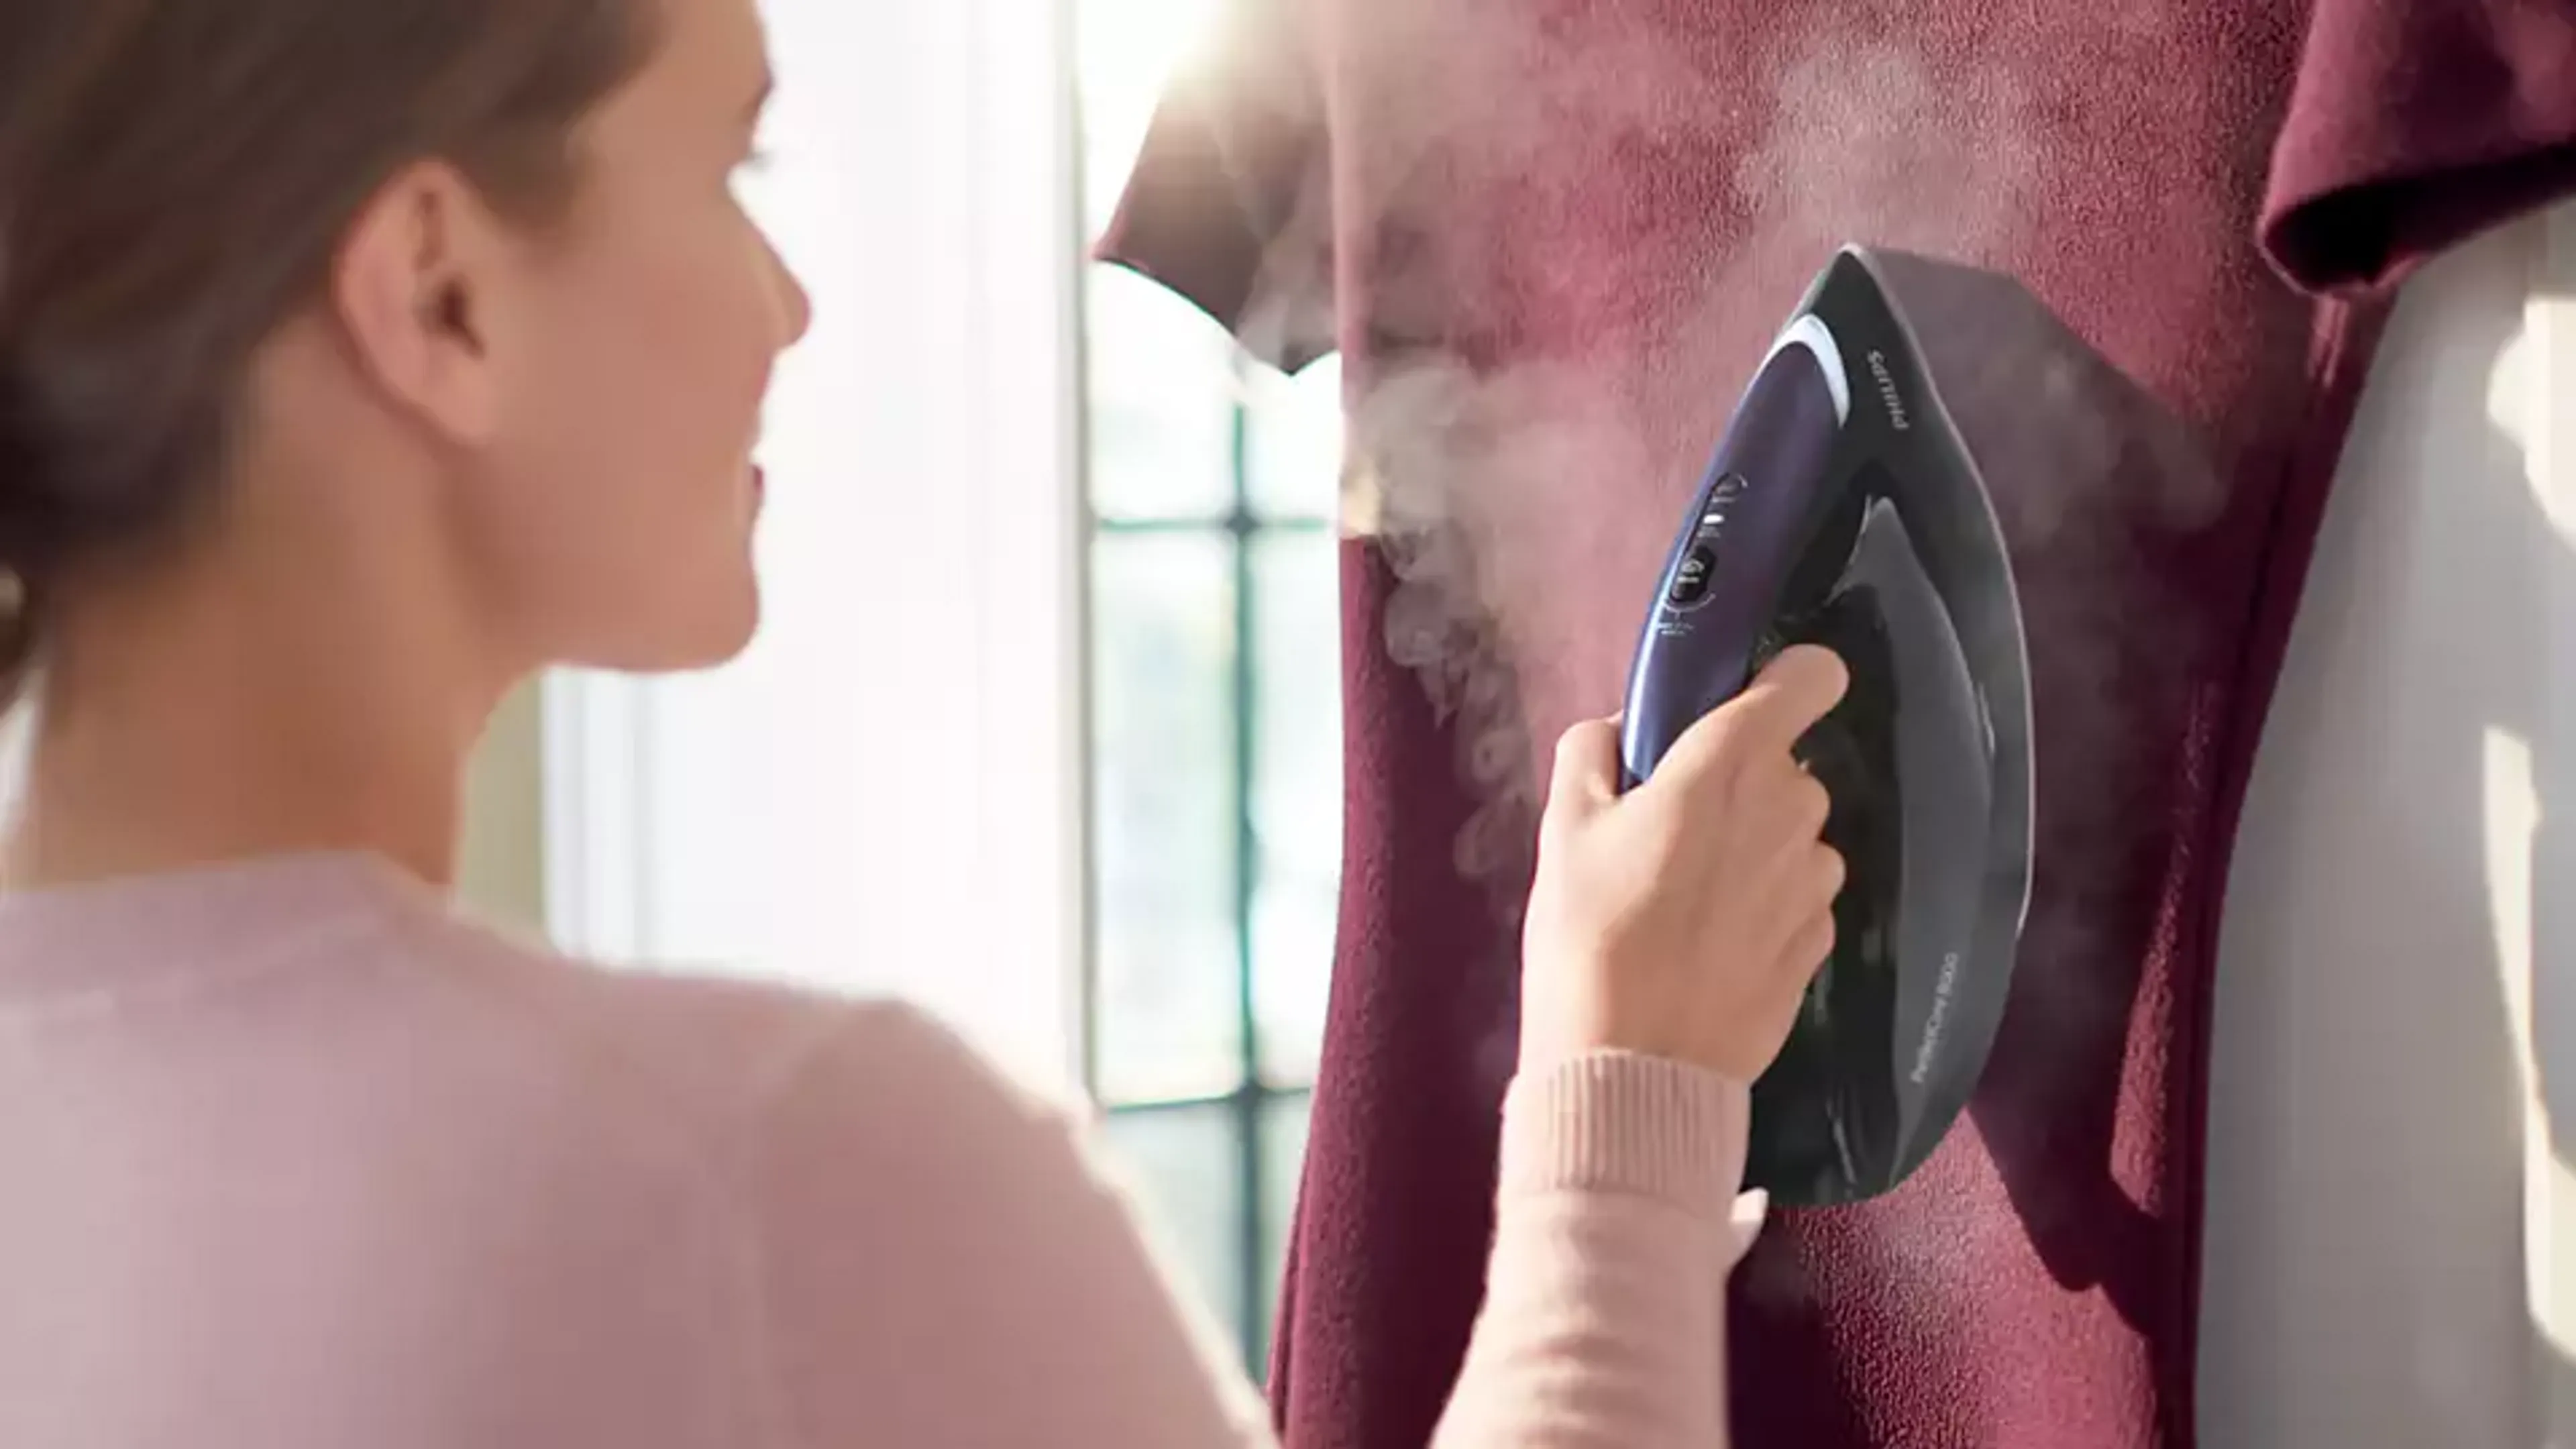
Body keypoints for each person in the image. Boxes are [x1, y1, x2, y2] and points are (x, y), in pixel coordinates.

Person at [0, 0, 1847, 1444]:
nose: (792, 305)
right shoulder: (773, 1180)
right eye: (729, 168)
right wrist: (1630, 1110)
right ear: (440, 294)